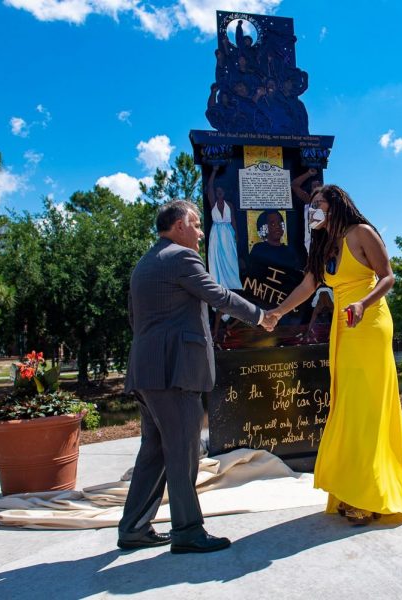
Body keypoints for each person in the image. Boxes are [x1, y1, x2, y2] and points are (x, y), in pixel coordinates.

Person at [266, 185, 402, 524]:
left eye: (316, 204)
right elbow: (307, 287)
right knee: (348, 406)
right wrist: (277, 312)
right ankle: (353, 489)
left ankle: (371, 494)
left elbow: (388, 276)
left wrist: (363, 303)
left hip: (370, 320)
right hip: (343, 326)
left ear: (334, 205)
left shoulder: (361, 233)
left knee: (368, 407)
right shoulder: (322, 244)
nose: (312, 211)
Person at [118, 200, 277, 554]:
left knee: (155, 451)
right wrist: (261, 316)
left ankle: (133, 529)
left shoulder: (145, 263)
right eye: (195, 223)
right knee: (183, 452)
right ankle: (187, 531)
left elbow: (136, 318)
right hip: (175, 372)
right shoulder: (181, 257)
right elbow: (218, 295)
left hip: (147, 370)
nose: (201, 231)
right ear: (177, 226)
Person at [206, 164, 241, 290]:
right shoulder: (213, 203)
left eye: (221, 191)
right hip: (216, 233)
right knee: (216, 261)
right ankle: (218, 288)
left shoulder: (229, 205)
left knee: (230, 260)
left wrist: (236, 234)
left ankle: (233, 288)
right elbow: (209, 186)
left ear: (224, 192)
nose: (219, 193)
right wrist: (214, 171)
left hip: (228, 233)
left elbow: (234, 221)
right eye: (217, 191)